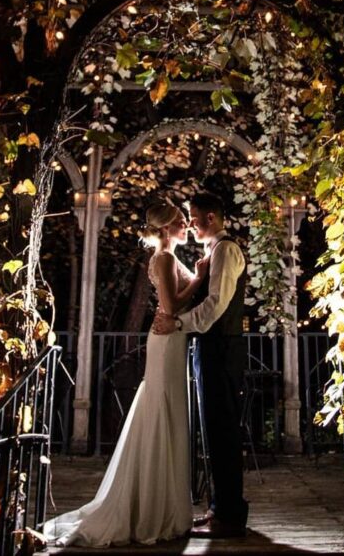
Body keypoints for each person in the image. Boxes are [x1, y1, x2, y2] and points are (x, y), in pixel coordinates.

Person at [42, 201, 208, 547]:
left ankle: (166, 505)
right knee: (161, 411)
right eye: (180, 221)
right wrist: (201, 277)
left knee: (171, 413)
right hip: (166, 339)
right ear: (164, 229)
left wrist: (196, 277)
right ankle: (149, 509)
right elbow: (171, 305)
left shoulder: (170, 258)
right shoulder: (162, 259)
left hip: (174, 338)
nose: (186, 226)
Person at [151, 191, 249, 538]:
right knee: (212, 427)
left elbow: (217, 304)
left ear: (210, 218)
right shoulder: (212, 253)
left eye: (193, 216)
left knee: (223, 428)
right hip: (208, 346)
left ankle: (231, 515)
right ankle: (218, 508)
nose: (190, 223)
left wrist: (179, 324)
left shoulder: (226, 250)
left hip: (221, 347)